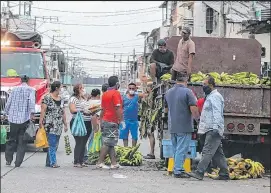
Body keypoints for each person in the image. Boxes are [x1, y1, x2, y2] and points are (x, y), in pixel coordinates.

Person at [187, 76, 229, 180]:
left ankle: (199, 172)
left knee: (207, 151)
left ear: (211, 85)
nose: (203, 86)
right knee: (217, 153)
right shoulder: (210, 96)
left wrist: (215, 128)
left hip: (212, 128)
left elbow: (217, 112)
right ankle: (224, 173)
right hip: (208, 128)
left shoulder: (215, 97)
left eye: (205, 84)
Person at [164, 72, 199, 178]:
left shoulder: (168, 92)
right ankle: (178, 171)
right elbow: (193, 108)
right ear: (185, 81)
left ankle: (178, 168)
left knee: (176, 149)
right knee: (182, 149)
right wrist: (198, 120)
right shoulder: (188, 92)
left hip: (173, 125)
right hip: (184, 125)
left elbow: (166, 109)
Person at [4, 75, 35, 167]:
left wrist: (5, 113)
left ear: (20, 80)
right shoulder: (31, 90)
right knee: (22, 141)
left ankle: (8, 160)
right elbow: (31, 102)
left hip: (13, 118)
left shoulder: (14, 89)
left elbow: (8, 102)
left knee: (11, 139)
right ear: (28, 81)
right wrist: (32, 114)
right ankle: (18, 162)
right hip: (24, 119)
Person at [97, 76, 124, 169]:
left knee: (110, 142)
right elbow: (118, 108)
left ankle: (114, 163)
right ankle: (100, 162)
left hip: (105, 120)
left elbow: (103, 109)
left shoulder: (105, 94)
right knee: (108, 143)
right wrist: (121, 120)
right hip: (112, 121)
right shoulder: (116, 93)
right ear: (117, 84)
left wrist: (100, 120)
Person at [39, 81, 68, 168]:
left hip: (59, 124)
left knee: (55, 144)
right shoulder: (47, 97)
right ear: (56, 88)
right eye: (61, 87)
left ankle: (48, 162)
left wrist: (65, 124)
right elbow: (43, 110)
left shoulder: (61, 99)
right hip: (50, 124)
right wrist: (41, 121)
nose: (62, 89)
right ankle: (53, 162)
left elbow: (63, 112)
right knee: (52, 143)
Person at [69, 84, 92, 168]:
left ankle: (81, 160)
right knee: (79, 142)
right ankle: (76, 161)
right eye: (81, 88)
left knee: (84, 143)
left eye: (83, 88)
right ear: (77, 90)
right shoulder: (73, 99)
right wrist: (82, 110)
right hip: (78, 122)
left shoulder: (84, 98)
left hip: (87, 121)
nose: (83, 89)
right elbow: (72, 110)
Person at [119, 83, 146, 147]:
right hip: (125, 120)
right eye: (130, 88)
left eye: (133, 88)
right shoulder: (123, 98)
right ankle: (126, 150)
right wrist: (120, 119)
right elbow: (120, 108)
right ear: (128, 89)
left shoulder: (137, 97)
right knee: (124, 136)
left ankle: (133, 150)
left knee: (134, 136)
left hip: (134, 121)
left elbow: (146, 95)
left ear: (135, 89)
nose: (131, 90)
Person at [83, 88, 102, 163]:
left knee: (85, 140)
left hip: (85, 122)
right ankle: (92, 156)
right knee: (94, 140)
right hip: (95, 123)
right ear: (98, 95)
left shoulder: (87, 102)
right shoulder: (99, 103)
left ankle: (86, 156)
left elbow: (85, 111)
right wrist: (96, 127)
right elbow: (95, 115)